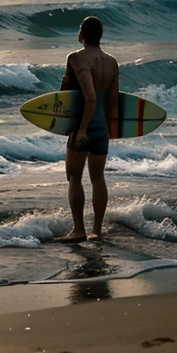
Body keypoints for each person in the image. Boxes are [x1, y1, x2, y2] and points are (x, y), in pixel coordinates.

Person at [56, 16, 119, 243]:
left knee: (74, 176)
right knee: (98, 177)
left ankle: (79, 230)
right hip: (102, 126)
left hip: (84, 124)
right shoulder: (112, 62)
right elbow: (111, 102)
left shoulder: (76, 58)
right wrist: (108, 129)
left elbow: (89, 98)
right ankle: (97, 231)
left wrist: (81, 130)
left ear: (82, 33)